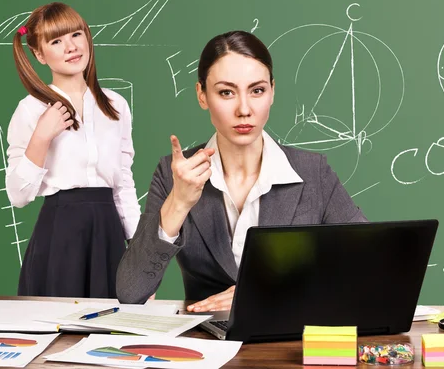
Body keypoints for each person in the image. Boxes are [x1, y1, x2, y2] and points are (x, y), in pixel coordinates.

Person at [116, 30, 367, 308]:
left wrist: (265, 291)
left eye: (257, 90)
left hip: (288, 341)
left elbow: (369, 264)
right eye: (226, 92)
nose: (244, 109)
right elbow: (130, 292)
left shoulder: (313, 172)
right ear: (202, 96)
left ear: (272, 91)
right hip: (205, 342)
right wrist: (178, 202)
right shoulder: (174, 173)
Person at [6, 2, 140, 298]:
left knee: (113, 332)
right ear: (39, 54)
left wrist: (142, 257)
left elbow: (123, 185)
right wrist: (42, 136)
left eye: (76, 35)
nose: (71, 47)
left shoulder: (116, 105)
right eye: (56, 41)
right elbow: (18, 196)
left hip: (109, 235)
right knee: (61, 333)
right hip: (60, 236)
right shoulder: (31, 111)